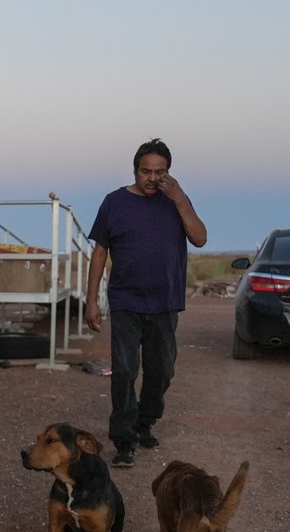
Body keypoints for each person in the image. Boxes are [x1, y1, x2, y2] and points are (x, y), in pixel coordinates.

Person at [84, 139, 208, 468]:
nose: (152, 178)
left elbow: (200, 238)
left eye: (160, 172)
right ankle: (124, 440)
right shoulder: (114, 202)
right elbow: (99, 252)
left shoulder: (175, 201)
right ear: (135, 170)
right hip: (125, 300)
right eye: (146, 171)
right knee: (124, 371)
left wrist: (180, 198)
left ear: (168, 172)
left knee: (161, 370)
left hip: (165, 302)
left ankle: (145, 422)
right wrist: (91, 300)